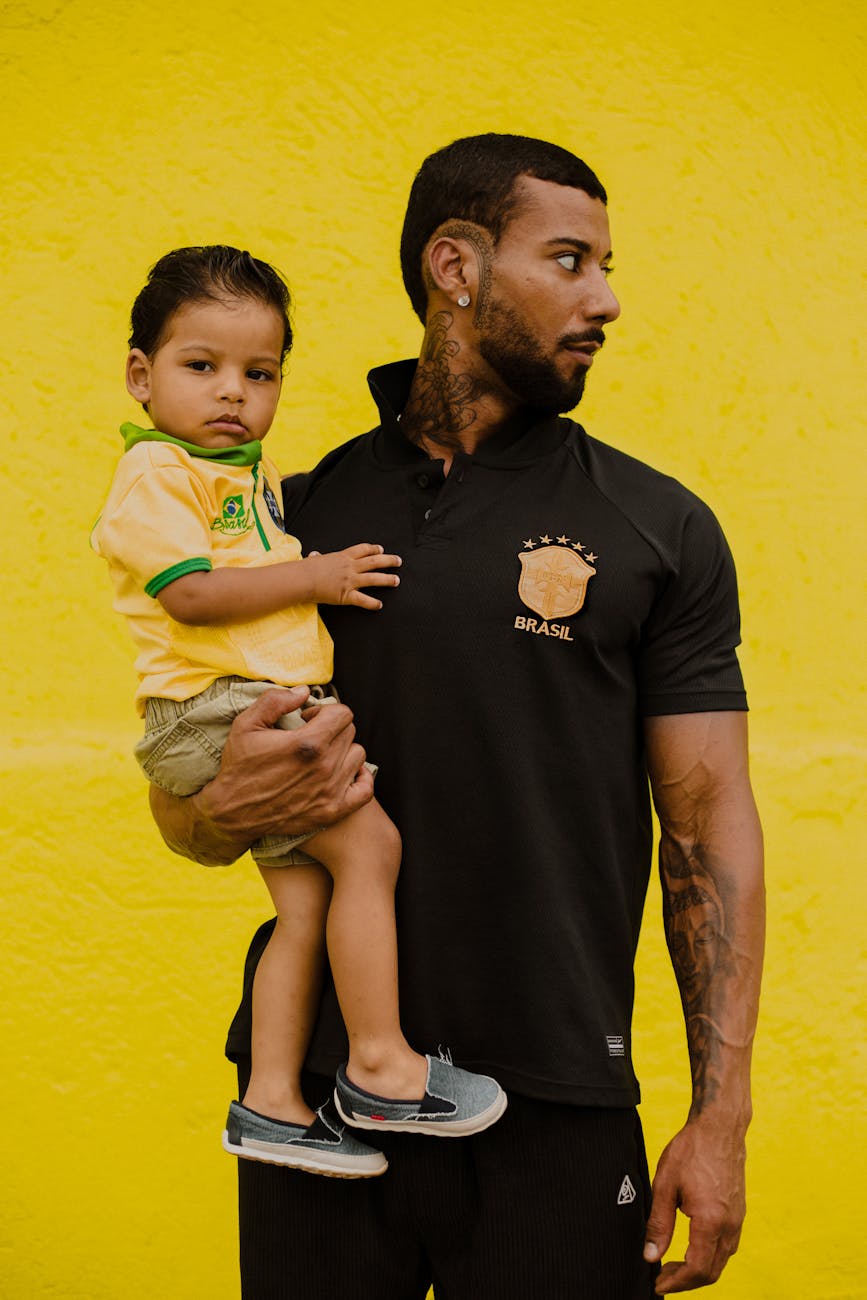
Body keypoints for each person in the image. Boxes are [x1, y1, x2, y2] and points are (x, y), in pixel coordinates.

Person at [151, 137, 765, 1298]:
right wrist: (214, 806)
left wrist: (720, 1113)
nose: (607, 299)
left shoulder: (656, 527)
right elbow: (192, 792)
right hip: (322, 1101)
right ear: (455, 267)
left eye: (605, 265)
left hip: (559, 1095)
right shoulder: (295, 518)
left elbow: (707, 822)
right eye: (571, 260)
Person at [91, 245, 507, 1180]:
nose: (233, 392)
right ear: (140, 376)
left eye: (260, 372)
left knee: (307, 903)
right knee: (373, 851)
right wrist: (317, 576)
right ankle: (381, 1068)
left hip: (252, 704)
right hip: (221, 711)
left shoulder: (238, 475)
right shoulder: (161, 473)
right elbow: (190, 597)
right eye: (202, 367)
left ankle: (271, 1102)